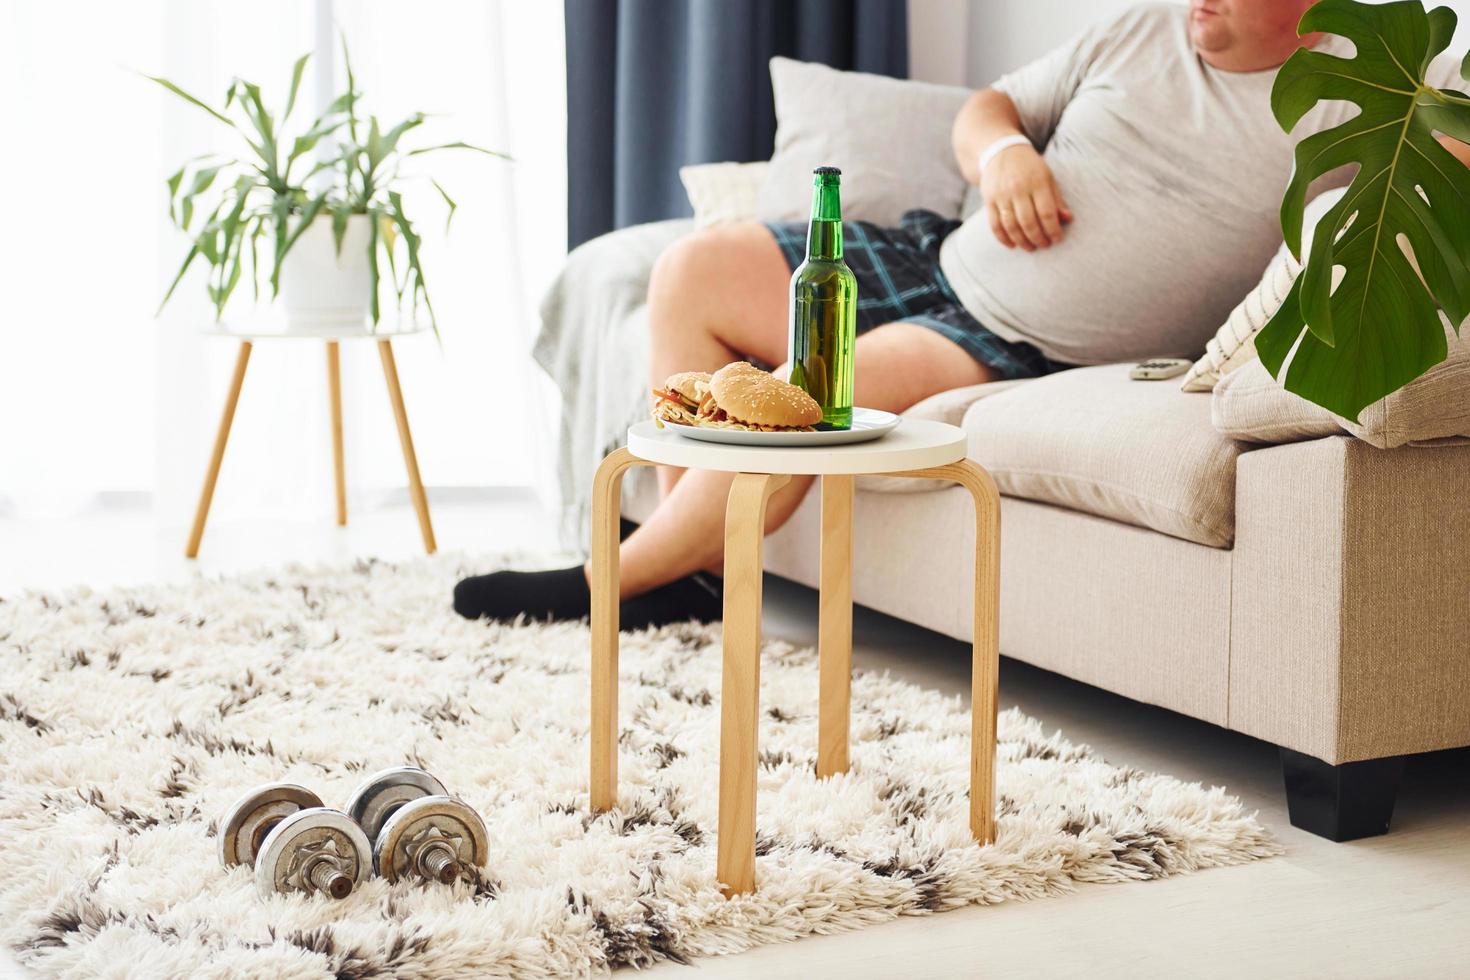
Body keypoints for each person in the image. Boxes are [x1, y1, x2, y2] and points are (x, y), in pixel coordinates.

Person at [455, 0, 1470, 627]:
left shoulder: (1362, 94)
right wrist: (1004, 155)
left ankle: (611, 579)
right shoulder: (1142, 27)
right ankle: (701, 568)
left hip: (1008, 340)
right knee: (689, 269)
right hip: (933, 252)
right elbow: (987, 105)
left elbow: (1441, 170)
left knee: (826, 392)